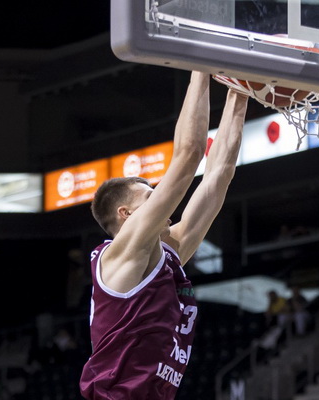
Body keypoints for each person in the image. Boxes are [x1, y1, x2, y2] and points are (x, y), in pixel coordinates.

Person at [79, 72, 249, 399]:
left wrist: (240, 91)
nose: (160, 200)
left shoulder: (165, 257)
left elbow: (219, 174)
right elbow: (189, 156)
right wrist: (201, 69)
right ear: (126, 215)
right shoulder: (121, 254)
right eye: (149, 196)